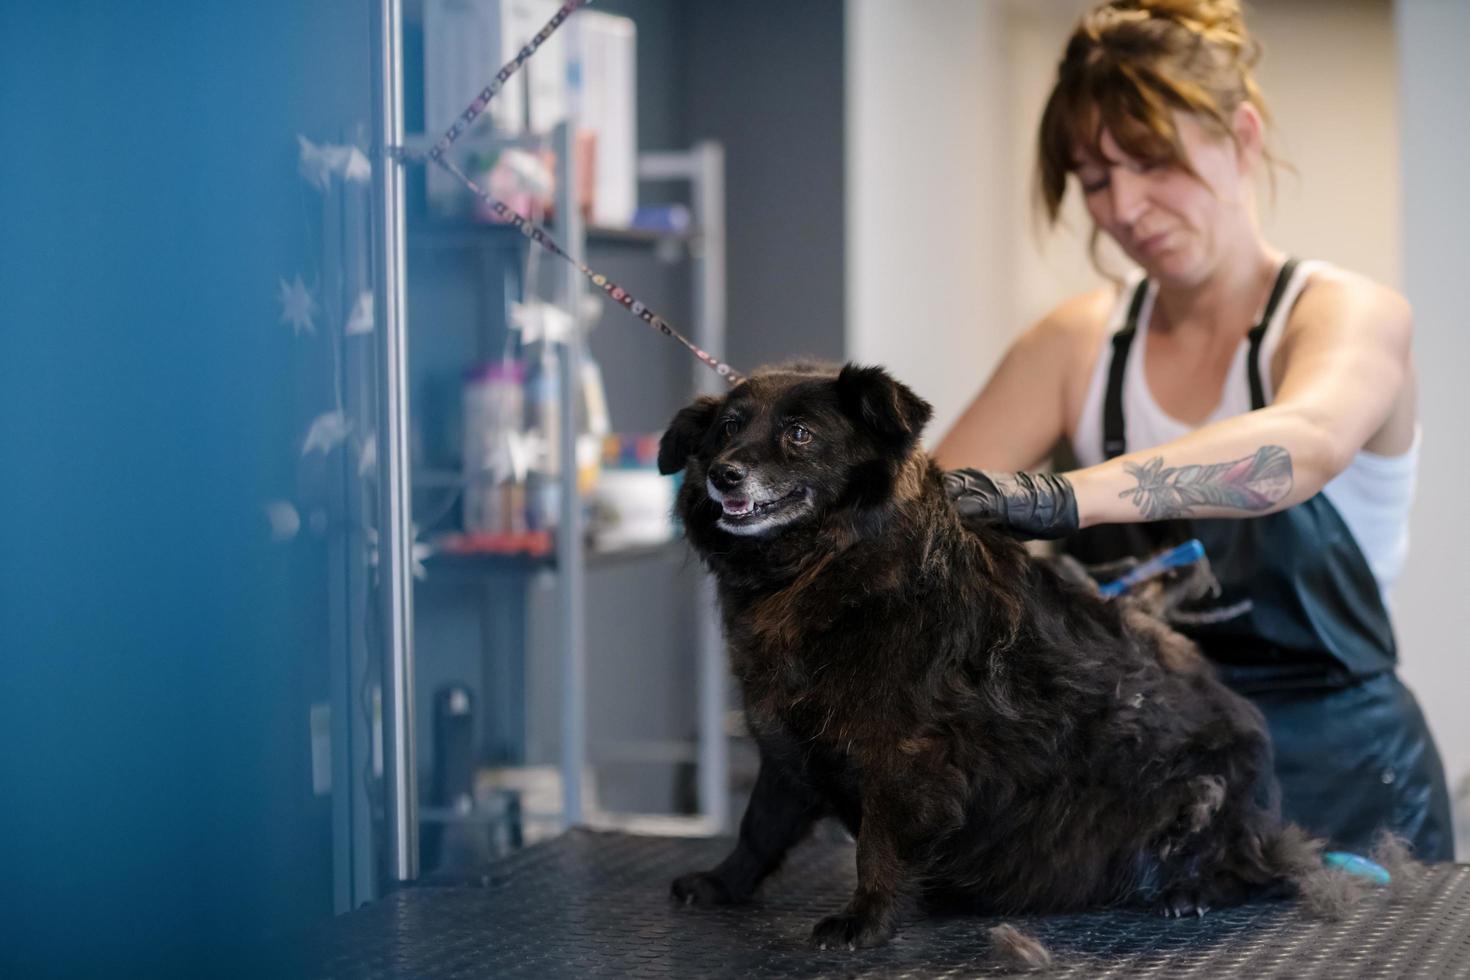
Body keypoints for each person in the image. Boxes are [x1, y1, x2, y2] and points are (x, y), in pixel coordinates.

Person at [935, 0, 1453, 860]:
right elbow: (919, 519)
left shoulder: (1344, 314)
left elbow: (1303, 443)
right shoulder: (1075, 346)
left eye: (1152, 162)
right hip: (1156, 778)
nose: (1126, 207)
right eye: (1095, 180)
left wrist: (1062, 499)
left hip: (1346, 785)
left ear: (1241, 136)